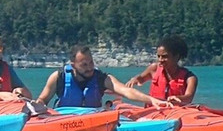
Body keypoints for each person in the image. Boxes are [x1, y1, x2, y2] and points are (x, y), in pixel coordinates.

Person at [37, 44, 171, 109]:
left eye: (91, 62)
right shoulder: (58, 77)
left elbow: (126, 91)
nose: (89, 67)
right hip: (63, 121)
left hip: (91, 121)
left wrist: (151, 100)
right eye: (84, 65)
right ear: (73, 65)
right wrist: (38, 106)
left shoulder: (101, 78)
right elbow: (43, 99)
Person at [126, 35, 197, 105]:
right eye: (158, 56)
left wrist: (178, 98)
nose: (160, 60)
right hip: (153, 111)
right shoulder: (154, 69)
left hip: (174, 112)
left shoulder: (190, 78)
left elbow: (189, 97)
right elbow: (140, 78)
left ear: (176, 57)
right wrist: (134, 79)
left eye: (164, 56)